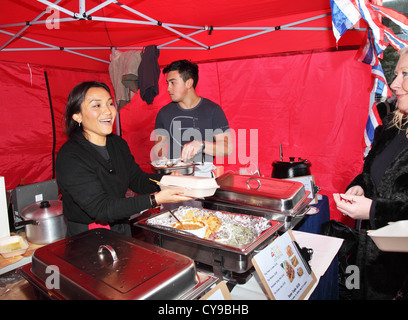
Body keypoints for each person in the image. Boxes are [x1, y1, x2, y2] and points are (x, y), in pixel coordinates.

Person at [56, 81, 192, 237]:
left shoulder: (117, 144)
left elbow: (137, 179)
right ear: (77, 116)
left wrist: (167, 180)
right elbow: (101, 209)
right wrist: (155, 199)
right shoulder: (71, 156)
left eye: (110, 104)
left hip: (121, 227)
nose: (107, 111)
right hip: (88, 237)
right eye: (97, 106)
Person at [333, 47, 408, 300]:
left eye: (405, 74)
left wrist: (373, 210)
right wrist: (360, 186)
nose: (395, 83)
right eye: (396, 74)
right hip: (371, 260)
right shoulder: (390, 127)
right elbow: (370, 173)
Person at [153, 59, 232, 177]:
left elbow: (227, 148)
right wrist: (163, 160)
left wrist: (201, 145)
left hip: (203, 180)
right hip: (174, 177)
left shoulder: (213, 110)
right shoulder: (163, 113)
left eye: (173, 82)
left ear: (189, 83)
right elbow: (158, 147)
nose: (168, 88)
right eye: (167, 83)